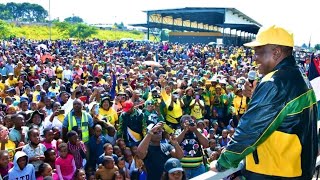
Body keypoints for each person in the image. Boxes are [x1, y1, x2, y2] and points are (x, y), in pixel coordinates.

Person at [211, 25, 318, 180]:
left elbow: (250, 130)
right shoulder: (298, 75)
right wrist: (256, 96)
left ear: (276, 52)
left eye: (259, 52)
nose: (255, 57)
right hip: (295, 169)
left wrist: (223, 162)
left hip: (275, 173)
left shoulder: (274, 83)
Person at [176, 115, 209, 179]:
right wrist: (184, 131)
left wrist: (195, 130)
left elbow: (206, 144)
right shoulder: (178, 131)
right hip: (183, 168)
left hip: (198, 168)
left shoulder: (198, 131)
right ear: (181, 124)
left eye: (190, 121)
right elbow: (175, 143)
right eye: (186, 121)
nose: (188, 123)